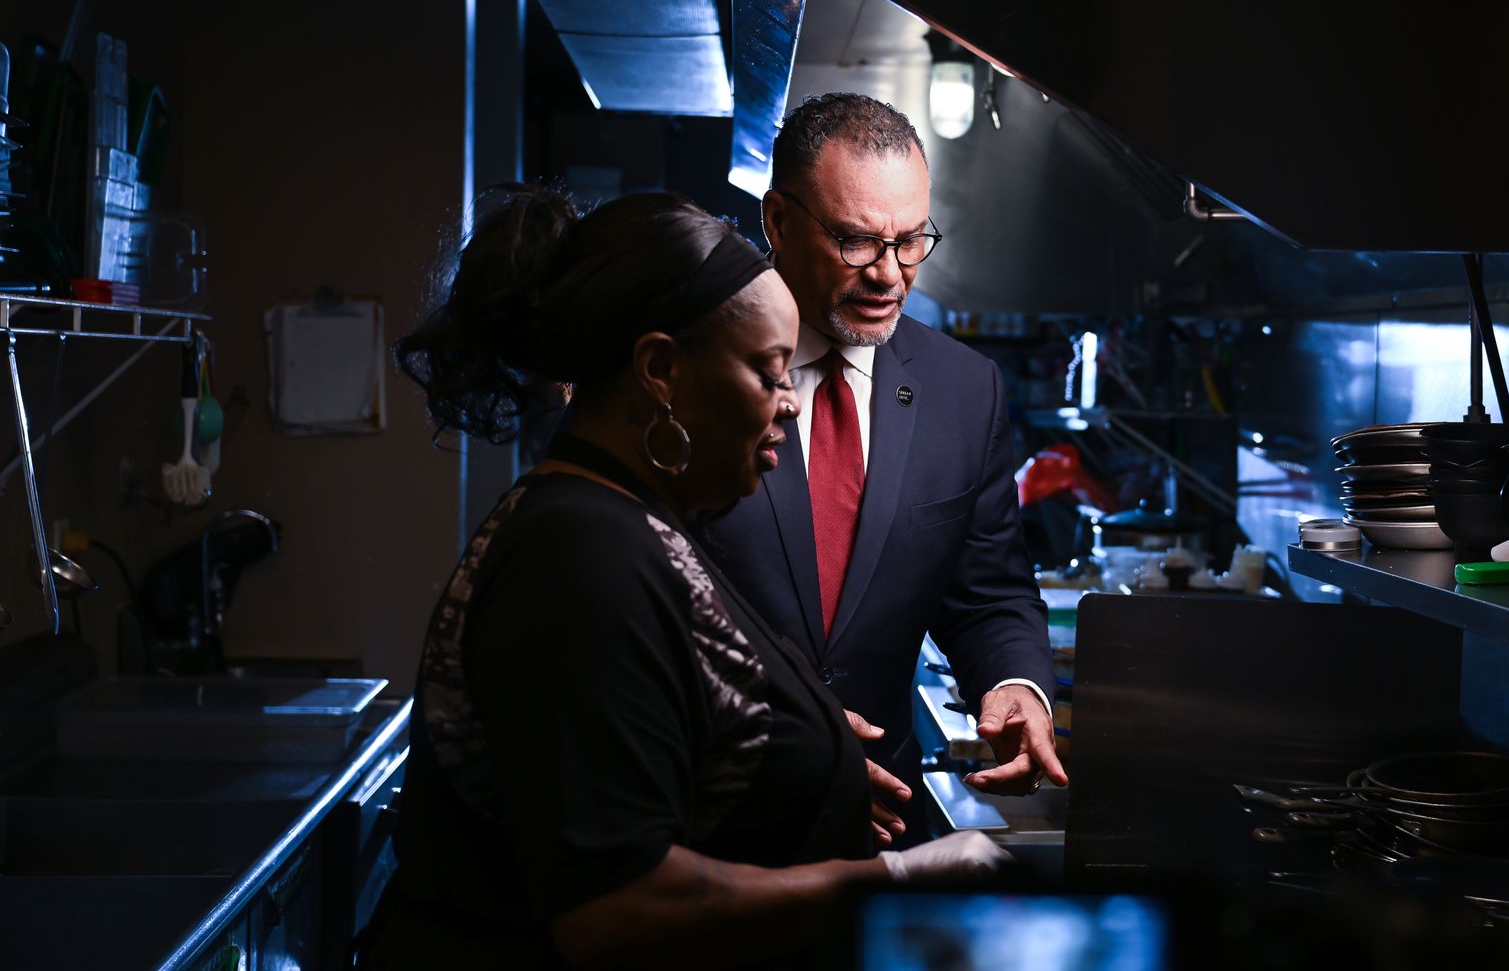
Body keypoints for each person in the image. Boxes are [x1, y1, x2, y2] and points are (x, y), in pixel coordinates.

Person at [363, 186, 1008, 970]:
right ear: (661, 369)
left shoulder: (631, 517)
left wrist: (790, 756)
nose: (789, 406)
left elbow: (654, 723)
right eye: (769, 373)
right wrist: (899, 879)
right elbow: (614, 908)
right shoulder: (579, 554)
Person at [705, 94, 1066, 844]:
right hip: (706, 812)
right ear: (777, 221)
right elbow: (637, 613)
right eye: (857, 242)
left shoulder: (966, 392)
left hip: (874, 825)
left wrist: (1015, 684)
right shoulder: (697, 371)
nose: (891, 276)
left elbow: (989, 592)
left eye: (911, 242)